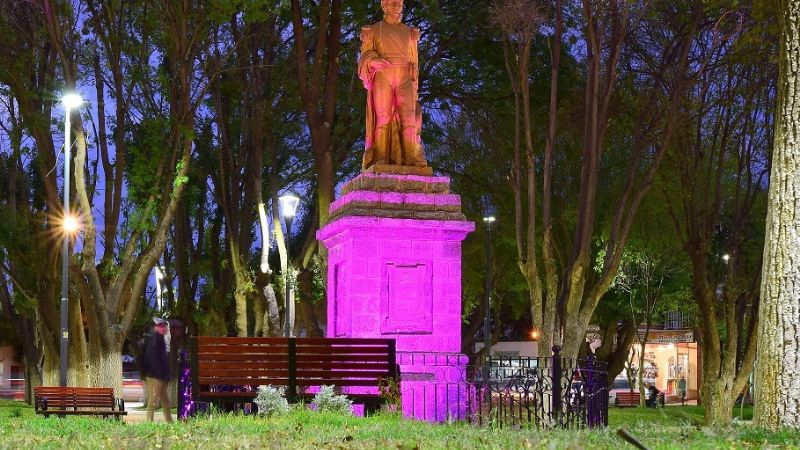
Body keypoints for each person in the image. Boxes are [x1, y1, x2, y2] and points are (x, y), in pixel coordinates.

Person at [358, 0, 428, 170]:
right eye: (392, 3)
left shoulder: (408, 32)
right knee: (383, 117)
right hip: (384, 74)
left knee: (409, 118)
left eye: (399, 4)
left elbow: (413, 59)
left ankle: (411, 157)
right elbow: (364, 56)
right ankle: (380, 157)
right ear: (384, 6)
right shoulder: (374, 29)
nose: (396, 7)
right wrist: (373, 60)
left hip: (404, 75)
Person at [143, 317, 173, 422]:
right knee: (153, 402)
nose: (165, 328)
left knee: (166, 402)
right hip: (155, 376)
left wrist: (166, 375)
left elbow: (163, 359)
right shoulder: (153, 339)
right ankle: (149, 424)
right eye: (162, 326)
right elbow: (152, 358)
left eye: (165, 326)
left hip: (160, 376)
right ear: (157, 327)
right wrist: (161, 374)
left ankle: (170, 423)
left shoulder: (160, 338)